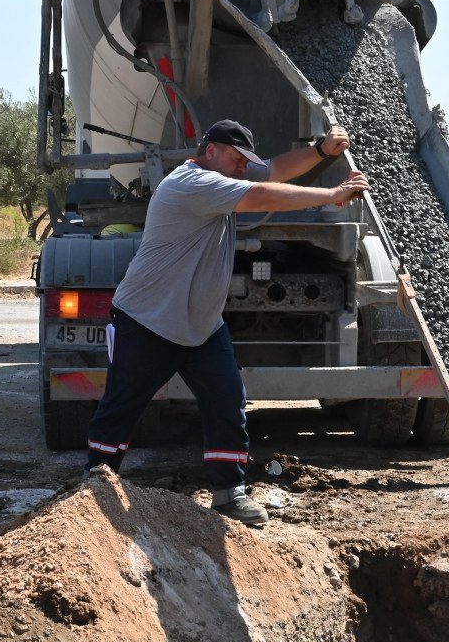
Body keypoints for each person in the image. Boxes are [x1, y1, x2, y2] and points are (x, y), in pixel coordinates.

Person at [85, 119, 368, 528]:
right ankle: (96, 485)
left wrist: (322, 151)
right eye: (237, 160)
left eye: (243, 162)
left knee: (226, 400)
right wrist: (334, 194)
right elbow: (261, 192)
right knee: (120, 408)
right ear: (211, 150)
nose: (242, 168)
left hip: (201, 326)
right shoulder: (194, 183)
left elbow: (272, 169)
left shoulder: (225, 171)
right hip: (147, 320)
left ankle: (229, 495)